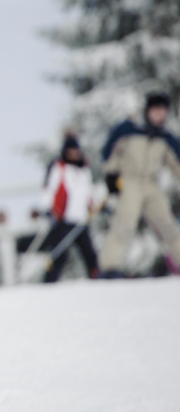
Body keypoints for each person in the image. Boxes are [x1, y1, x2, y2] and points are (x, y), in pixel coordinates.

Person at [98, 91, 180, 277]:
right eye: (156, 110)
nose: (160, 115)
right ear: (148, 110)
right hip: (129, 181)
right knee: (124, 224)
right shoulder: (129, 130)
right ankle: (109, 268)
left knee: (168, 225)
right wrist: (111, 175)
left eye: (163, 111)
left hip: (150, 183)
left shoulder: (165, 138)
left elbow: (176, 163)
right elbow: (109, 153)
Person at [38, 134, 99, 282]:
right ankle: (49, 282)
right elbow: (49, 189)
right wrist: (47, 208)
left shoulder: (84, 170)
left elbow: (88, 191)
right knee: (60, 254)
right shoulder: (59, 168)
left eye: (75, 152)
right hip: (63, 219)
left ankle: (97, 278)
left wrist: (91, 204)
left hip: (81, 220)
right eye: (70, 152)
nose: (73, 155)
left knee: (89, 253)